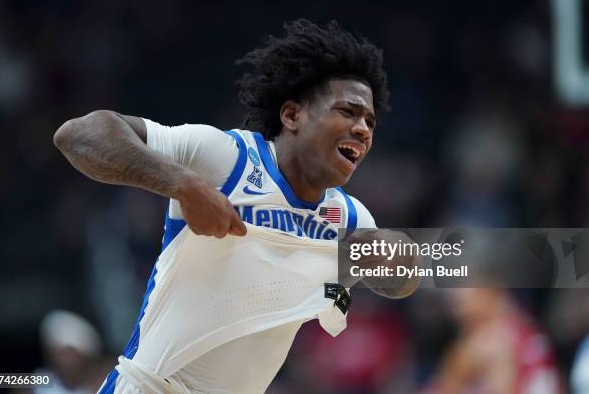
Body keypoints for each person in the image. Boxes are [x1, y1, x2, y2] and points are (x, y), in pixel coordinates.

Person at [54, 19, 418, 394]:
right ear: (292, 115)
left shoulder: (350, 218)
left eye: (370, 121)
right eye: (348, 111)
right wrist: (183, 184)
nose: (363, 129)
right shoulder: (226, 159)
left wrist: (399, 255)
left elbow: (403, 282)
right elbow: (79, 134)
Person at [426, 288, 562, 394]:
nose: (457, 314)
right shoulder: (528, 328)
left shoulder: (488, 342)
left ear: (486, 293)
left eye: (460, 305)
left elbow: (446, 386)